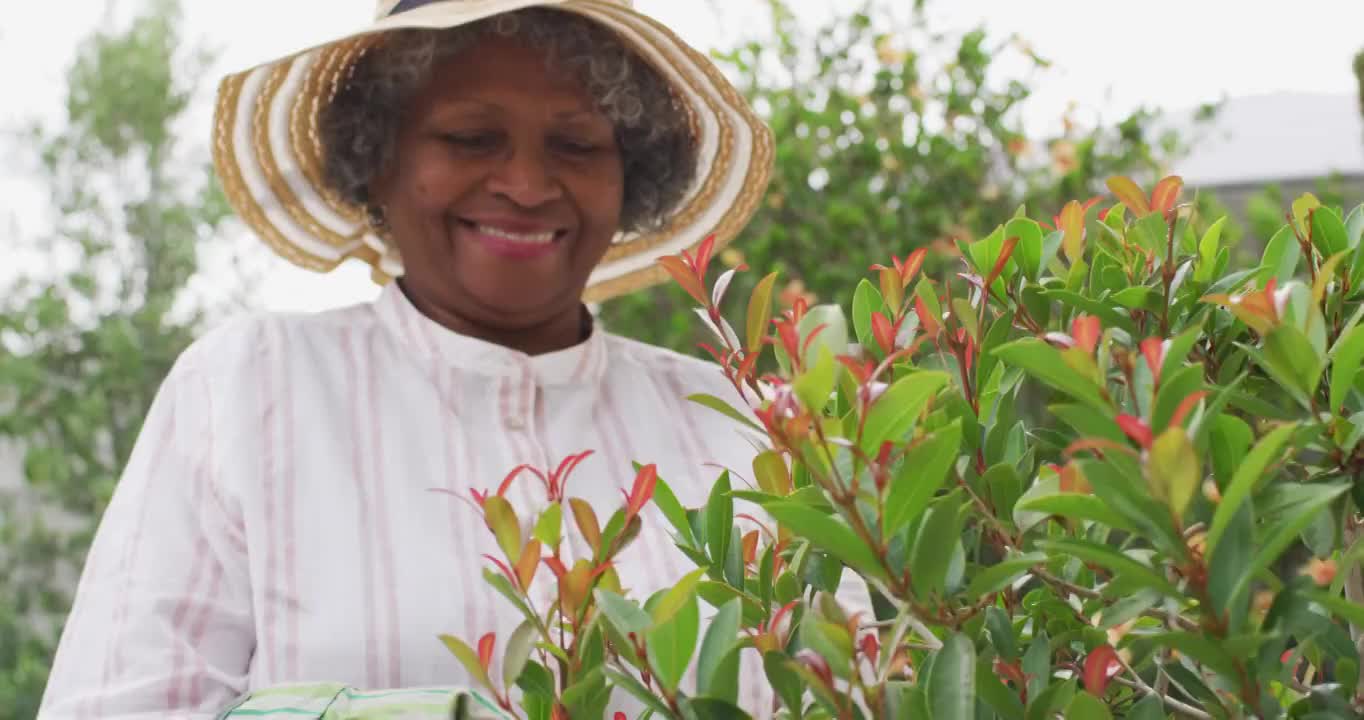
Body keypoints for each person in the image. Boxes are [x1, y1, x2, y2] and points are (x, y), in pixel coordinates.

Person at [38, 0, 778, 717]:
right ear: (377, 161)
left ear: (630, 180)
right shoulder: (247, 390)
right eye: (470, 138)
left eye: (576, 145)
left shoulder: (741, 425)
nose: (524, 184)